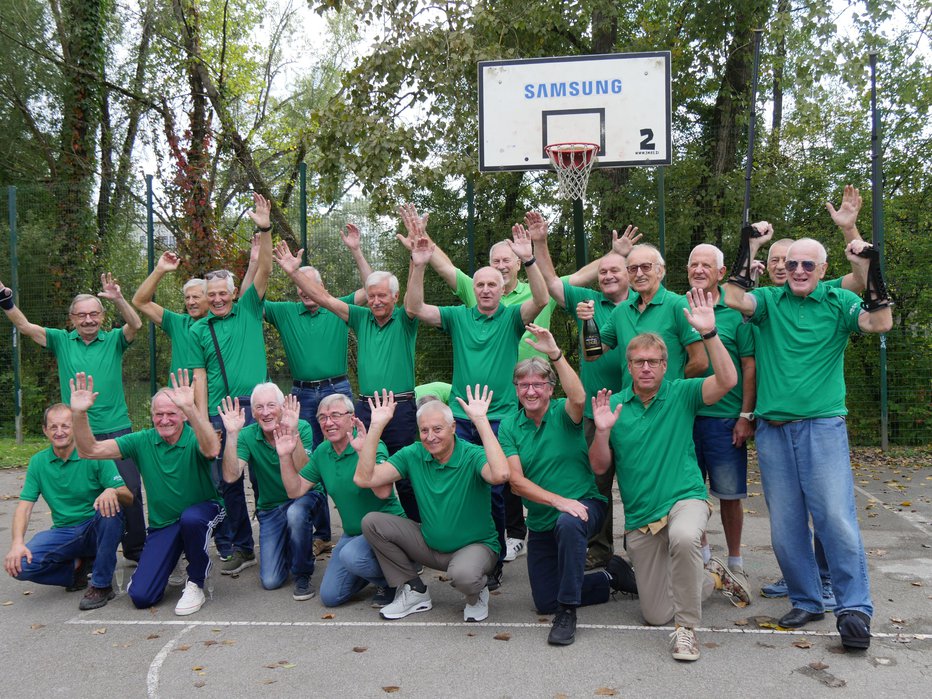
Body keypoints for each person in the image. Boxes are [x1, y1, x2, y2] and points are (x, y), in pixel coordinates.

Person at [724, 228, 893, 651]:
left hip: (821, 427)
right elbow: (732, 298)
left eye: (806, 264)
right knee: (785, 527)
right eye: (791, 264)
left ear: (822, 269)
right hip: (773, 431)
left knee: (835, 519)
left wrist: (871, 268)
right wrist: (750, 246)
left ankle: (855, 609)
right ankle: (806, 600)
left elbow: (880, 320)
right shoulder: (768, 302)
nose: (796, 270)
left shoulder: (839, 301)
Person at [589, 289, 752, 662]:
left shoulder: (682, 393)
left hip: (685, 498)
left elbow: (726, 381)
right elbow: (599, 468)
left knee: (683, 537)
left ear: (666, 366)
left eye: (654, 361)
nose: (646, 367)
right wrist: (601, 431)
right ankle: (712, 578)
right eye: (639, 361)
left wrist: (709, 334)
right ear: (628, 367)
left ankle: (686, 632)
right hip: (642, 517)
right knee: (654, 614)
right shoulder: (612, 405)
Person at [396, 205, 562, 563]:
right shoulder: (457, 316)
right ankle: (456, 543)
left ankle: (495, 558)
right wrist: (419, 263)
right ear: (475, 288)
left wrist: (529, 260)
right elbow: (414, 308)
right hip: (460, 415)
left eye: (493, 284)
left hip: (499, 416)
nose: (486, 289)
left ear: (504, 288)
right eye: (481, 284)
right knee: (459, 485)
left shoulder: (513, 318)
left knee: (498, 489)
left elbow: (543, 298)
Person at [497, 325, 637, 646]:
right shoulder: (510, 426)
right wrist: (559, 501)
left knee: (570, 522)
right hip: (547, 520)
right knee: (543, 600)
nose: (530, 391)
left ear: (549, 388)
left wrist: (555, 353)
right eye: (523, 385)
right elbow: (516, 483)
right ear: (516, 389)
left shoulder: (564, 412)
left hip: (586, 507)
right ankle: (609, 576)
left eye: (538, 384)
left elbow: (578, 396)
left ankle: (568, 612)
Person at [0, 273, 146, 562]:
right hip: (78, 432)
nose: (88, 319)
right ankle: (89, 552)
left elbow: (136, 324)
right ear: (72, 319)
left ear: (102, 316)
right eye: (81, 315)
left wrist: (118, 298)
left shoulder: (115, 339)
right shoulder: (60, 340)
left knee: (129, 491)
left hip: (117, 430)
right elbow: (25, 326)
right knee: (87, 494)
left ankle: (137, 550)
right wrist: (5, 299)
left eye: (94, 314)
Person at [272, 240, 421, 522]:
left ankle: (415, 534)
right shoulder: (360, 317)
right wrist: (294, 272)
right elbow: (325, 298)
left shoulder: (405, 320)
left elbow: (415, 300)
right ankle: (374, 529)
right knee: (362, 468)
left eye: (382, 296)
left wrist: (417, 261)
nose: (376, 301)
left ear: (395, 297)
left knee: (403, 476)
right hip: (365, 408)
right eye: (372, 296)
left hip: (399, 409)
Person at [531, 211, 640, 568]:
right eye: (604, 271)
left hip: (637, 410)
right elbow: (549, 281)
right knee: (597, 486)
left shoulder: (643, 305)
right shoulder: (586, 301)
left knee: (640, 482)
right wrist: (541, 241)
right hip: (595, 412)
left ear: (629, 274)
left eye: (616, 270)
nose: (608, 276)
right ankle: (599, 549)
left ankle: (644, 549)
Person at [71, 370, 224, 616]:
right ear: (152, 416)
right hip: (163, 524)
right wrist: (79, 414)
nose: (164, 420)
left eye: (172, 413)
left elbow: (211, 448)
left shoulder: (195, 435)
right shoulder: (142, 440)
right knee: (142, 596)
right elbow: (90, 450)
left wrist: (192, 408)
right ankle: (169, 559)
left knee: (191, 519)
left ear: (183, 415)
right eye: (158, 414)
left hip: (204, 513)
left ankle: (196, 581)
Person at [357, 388, 509, 622]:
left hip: (476, 547)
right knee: (372, 522)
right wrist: (376, 427)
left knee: (464, 575)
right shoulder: (414, 454)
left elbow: (500, 475)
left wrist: (480, 420)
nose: (430, 437)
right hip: (430, 546)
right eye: (424, 430)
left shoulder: (471, 454)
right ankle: (415, 590)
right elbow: (365, 479)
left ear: (453, 428)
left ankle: (476, 594)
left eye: (437, 429)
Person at [190, 192, 273, 574]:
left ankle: (276, 535)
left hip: (257, 407)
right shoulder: (199, 329)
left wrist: (264, 227)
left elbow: (265, 271)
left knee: (265, 473)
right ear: (206, 300)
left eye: (224, 293)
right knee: (228, 482)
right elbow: (199, 376)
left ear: (231, 293)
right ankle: (243, 546)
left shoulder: (250, 309)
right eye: (213, 296)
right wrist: (204, 418)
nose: (219, 298)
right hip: (222, 413)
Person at [276, 394, 406, 608]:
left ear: (351, 418)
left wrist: (363, 451)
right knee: (330, 596)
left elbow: (383, 493)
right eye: (323, 417)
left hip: (386, 530)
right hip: (353, 534)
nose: (328, 422)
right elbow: (295, 490)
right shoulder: (322, 452)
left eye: (335, 415)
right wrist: (284, 456)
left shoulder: (370, 443)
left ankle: (393, 579)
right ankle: (373, 569)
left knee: (351, 555)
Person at [3, 403, 132, 610]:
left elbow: (128, 496)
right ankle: (77, 570)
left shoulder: (93, 454)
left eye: (65, 426)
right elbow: (24, 507)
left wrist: (112, 490)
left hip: (95, 527)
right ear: (45, 430)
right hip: (65, 532)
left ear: (74, 428)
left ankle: (101, 585)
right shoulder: (38, 462)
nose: (60, 432)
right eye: (53, 427)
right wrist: (17, 543)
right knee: (20, 566)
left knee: (111, 508)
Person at [264, 224, 370, 449]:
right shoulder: (284, 312)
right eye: (300, 285)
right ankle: (311, 486)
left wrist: (356, 250)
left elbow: (372, 290)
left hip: (337, 389)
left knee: (347, 447)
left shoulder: (339, 307)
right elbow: (250, 301)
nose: (305, 290)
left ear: (322, 287)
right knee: (304, 449)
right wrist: (259, 258)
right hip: (301, 393)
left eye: (311, 285)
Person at [685, 244, 756, 581]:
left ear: (721, 273)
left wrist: (746, 416)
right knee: (691, 494)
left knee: (729, 495)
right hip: (685, 419)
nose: (699, 270)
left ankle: (736, 561)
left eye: (706, 265)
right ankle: (703, 558)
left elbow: (749, 367)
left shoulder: (736, 313)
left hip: (725, 420)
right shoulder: (679, 309)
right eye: (693, 265)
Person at [218, 384, 327, 600]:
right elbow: (231, 476)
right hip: (270, 508)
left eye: (271, 405)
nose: (266, 412)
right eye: (259, 407)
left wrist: (292, 432)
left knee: (295, 515)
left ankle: (303, 573)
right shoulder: (248, 435)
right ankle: (292, 545)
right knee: (271, 581)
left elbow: (307, 473)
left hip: (305, 496)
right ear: (253, 412)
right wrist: (231, 435)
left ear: (281, 407)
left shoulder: (301, 426)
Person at [593, 244, 708, 384]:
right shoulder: (621, 311)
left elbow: (700, 362)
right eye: (633, 269)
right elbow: (592, 353)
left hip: (668, 403)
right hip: (631, 403)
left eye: (646, 267)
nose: (639, 274)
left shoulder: (678, 305)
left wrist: (672, 385)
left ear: (660, 271)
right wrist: (587, 320)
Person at [131, 251, 209, 383]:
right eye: (187, 298)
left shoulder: (220, 324)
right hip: (177, 398)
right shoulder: (178, 323)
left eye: (195, 297)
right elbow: (140, 301)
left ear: (209, 298)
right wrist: (159, 270)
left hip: (211, 397)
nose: (190, 302)